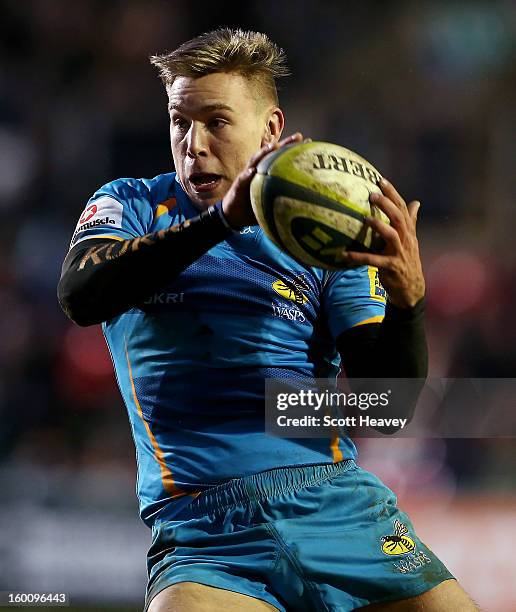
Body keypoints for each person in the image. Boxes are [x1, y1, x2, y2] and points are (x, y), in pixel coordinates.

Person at [58, 28, 477, 612]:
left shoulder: (330, 238)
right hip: (204, 532)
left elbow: (388, 405)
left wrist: (409, 302)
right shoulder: (130, 205)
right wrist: (219, 223)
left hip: (336, 505)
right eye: (181, 121)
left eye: (217, 122)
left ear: (271, 130)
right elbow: (81, 294)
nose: (194, 143)